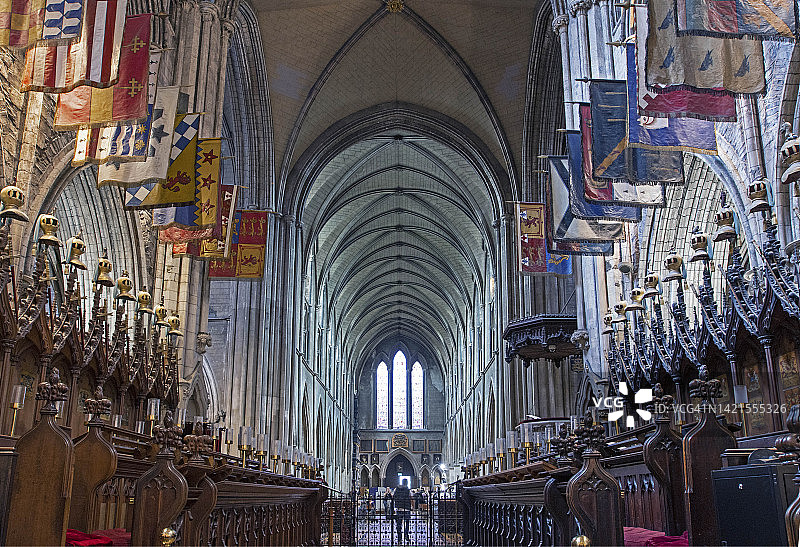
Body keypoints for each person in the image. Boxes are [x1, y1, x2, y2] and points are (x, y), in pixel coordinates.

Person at [393, 479, 412, 544]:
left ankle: (399, 538)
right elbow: (410, 498)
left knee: (399, 524)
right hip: (406, 509)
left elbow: (394, 497)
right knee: (407, 524)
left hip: (399, 509)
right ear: (406, 483)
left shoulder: (397, 489)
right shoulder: (408, 490)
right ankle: (406, 535)